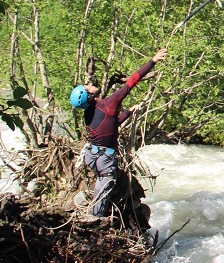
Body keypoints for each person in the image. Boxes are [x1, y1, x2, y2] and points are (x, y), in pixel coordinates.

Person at [69, 48, 167, 217]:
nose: (90, 84)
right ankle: (94, 223)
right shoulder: (108, 103)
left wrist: (128, 112)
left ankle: (97, 210)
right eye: (87, 87)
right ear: (90, 97)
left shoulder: (90, 112)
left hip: (93, 156)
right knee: (101, 197)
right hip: (105, 159)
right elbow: (133, 81)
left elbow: (109, 127)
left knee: (103, 189)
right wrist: (153, 60)